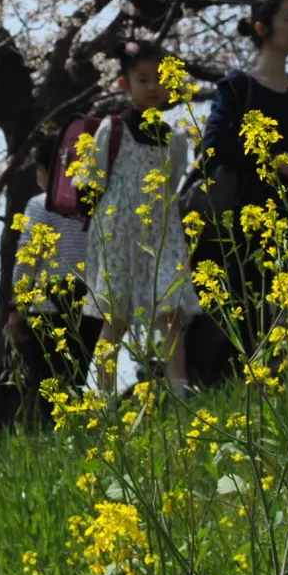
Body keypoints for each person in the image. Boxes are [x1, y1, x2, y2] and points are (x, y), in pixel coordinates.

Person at [188, 0, 288, 382]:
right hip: (249, 222)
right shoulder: (237, 88)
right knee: (253, 321)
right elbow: (213, 146)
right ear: (262, 29)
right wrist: (273, 159)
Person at [81, 39, 200, 396]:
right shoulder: (112, 128)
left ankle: (179, 389)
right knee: (115, 318)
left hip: (162, 230)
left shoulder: (175, 139)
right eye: (143, 79)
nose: (153, 87)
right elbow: (91, 177)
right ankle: (102, 399)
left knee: (171, 310)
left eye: (160, 80)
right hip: (118, 231)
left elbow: (175, 179)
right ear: (125, 84)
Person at [0, 135, 101, 428]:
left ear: (46, 170)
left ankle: (55, 440)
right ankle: (74, 437)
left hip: (48, 303)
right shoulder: (93, 204)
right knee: (76, 377)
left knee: (47, 385)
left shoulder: (40, 204)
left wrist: (16, 306)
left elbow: (27, 259)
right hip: (89, 302)